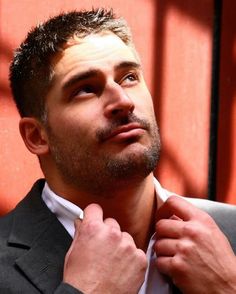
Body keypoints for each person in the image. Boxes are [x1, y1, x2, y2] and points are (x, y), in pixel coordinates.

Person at [0, 8, 236, 294]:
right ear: (37, 136)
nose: (123, 101)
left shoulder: (230, 232)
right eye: (85, 89)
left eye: (129, 77)